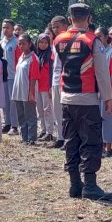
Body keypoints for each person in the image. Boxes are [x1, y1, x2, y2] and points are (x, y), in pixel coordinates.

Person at [54, 3, 112, 200]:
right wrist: (107, 97)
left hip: (66, 97)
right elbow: (102, 73)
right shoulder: (92, 41)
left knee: (71, 140)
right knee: (91, 141)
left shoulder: (59, 40)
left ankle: (74, 184)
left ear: (70, 18)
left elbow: (59, 69)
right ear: (89, 18)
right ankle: (90, 185)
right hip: (87, 98)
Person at [95, 27, 112, 157]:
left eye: (100, 36)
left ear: (106, 37)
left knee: (108, 119)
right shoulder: (97, 52)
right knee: (99, 119)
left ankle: (108, 147)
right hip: (96, 91)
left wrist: (108, 94)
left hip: (108, 93)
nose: (97, 38)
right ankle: (101, 145)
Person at [13, 34, 40, 144]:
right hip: (18, 91)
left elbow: (34, 77)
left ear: (29, 44)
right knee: (21, 115)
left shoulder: (33, 58)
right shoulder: (21, 57)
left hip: (27, 91)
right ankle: (24, 137)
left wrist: (31, 93)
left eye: (23, 43)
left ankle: (32, 138)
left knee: (30, 115)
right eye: (19, 43)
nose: (21, 46)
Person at [49, 16, 70, 148]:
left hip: (65, 80)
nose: (55, 29)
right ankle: (60, 137)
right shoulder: (55, 41)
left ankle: (68, 138)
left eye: (58, 26)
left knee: (65, 111)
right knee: (56, 110)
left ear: (65, 25)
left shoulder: (68, 39)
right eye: (53, 27)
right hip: (55, 79)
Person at [35, 33, 56, 142]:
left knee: (47, 109)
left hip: (46, 86)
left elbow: (52, 72)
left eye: (45, 42)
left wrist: (50, 87)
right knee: (39, 109)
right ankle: (43, 130)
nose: (43, 45)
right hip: (37, 85)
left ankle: (49, 132)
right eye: (41, 42)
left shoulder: (50, 55)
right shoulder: (36, 55)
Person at [0, 19, 20, 135]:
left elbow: (18, 60)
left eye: (7, 27)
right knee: (5, 101)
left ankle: (14, 125)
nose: (5, 30)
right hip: (3, 76)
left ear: (13, 29)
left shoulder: (16, 42)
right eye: (3, 28)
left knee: (13, 102)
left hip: (13, 75)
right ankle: (6, 123)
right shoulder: (2, 42)